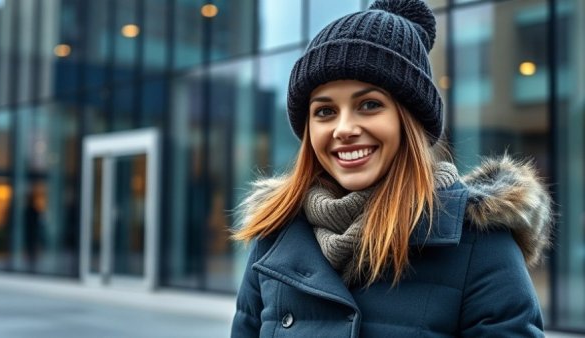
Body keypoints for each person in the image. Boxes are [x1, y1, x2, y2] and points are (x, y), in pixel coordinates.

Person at [231, 0, 552, 337]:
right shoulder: (275, 237)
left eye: (369, 105)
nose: (343, 129)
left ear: (408, 121)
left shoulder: (481, 246)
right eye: (324, 111)